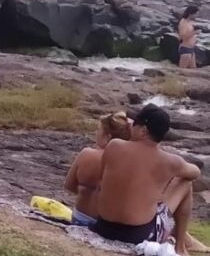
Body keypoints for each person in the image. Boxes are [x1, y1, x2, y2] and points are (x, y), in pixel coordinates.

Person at [92, 104, 202, 256]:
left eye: (135, 123)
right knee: (185, 182)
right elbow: (195, 173)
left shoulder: (114, 145)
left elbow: (101, 181)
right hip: (138, 236)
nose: (131, 126)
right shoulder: (170, 162)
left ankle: (181, 244)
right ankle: (180, 247)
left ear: (143, 130)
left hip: (103, 227)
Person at [64, 112, 132, 227]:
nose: (96, 133)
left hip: (79, 216)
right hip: (104, 224)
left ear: (107, 136)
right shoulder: (126, 164)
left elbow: (69, 185)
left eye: (99, 130)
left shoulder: (86, 154)